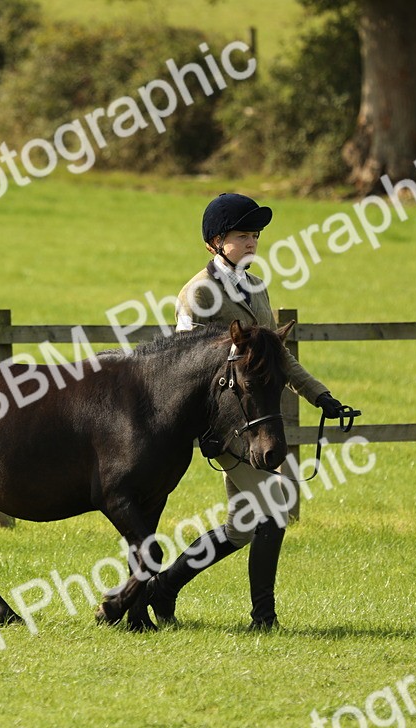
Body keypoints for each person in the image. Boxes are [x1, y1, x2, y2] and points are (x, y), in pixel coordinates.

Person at [145, 192, 349, 631]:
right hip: (222, 426)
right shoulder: (198, 294)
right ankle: (265, 620)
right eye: (243, 234)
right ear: (216, 241)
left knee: (240, 528)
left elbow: (273, 356)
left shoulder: (256, 287)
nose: (253, 241)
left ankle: (163, 589)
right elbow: (184, 364)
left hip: (250, 421)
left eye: (255, 234)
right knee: (274, 507)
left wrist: (320, 395)